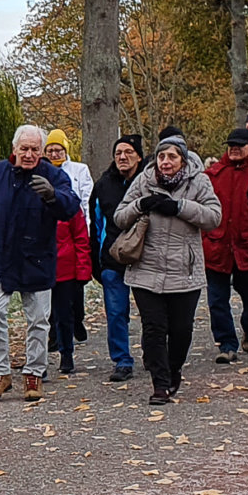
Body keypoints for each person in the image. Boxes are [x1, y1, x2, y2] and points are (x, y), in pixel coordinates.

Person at [0, 124, 79, 402]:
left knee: (38, 321)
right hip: (0, 258)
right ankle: (0, 372)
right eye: (25, 149)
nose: (30, 154)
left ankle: (34, 373)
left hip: (37, 259)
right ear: (14, 149)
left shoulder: (53, 175)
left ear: (42, 151)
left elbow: (71, 206)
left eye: (35, 149)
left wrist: (52, 196)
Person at [116, 136, 222, 404]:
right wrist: (140, 205)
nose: (165, 162)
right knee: (153, 328)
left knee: (180, 330)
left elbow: (214, 217)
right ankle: (159, 385)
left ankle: (174, 369)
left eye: (172, 157)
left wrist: (180, 207)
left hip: (184, 271)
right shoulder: (143, 181)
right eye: (161, 157)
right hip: (146, 270)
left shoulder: (199, 182)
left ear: (183, 160)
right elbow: (119, 217)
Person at [203, 128, 248, 363]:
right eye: (231, 145)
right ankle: (226, 344)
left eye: (239, 145)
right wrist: (205, 238)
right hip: (217, 247)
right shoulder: (213, 175)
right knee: (217, 300)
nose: (234, 148)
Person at [90, 135, 143, 383]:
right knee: (115, 313)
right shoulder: (103, 185)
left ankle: (154, 354)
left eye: (128, 152)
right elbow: (96, 225)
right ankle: (122, 360)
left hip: (146, 260)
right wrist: (96, 263)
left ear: (139, 156)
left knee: (151, 313)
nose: (122, 157)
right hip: (112, 259)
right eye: (118, 153)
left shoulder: (149, 181)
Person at [50, 190, 92, 375]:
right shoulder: (28, 205)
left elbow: (81, 240)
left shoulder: (70, 208)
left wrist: (83, 271)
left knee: (64, 314)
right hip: (38, 268)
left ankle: (66, 353)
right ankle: (38, 361)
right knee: (40, 317)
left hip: (65, 269)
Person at [44, 129, 94, 211]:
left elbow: (87, 200)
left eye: (57, 150)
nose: (53, 155)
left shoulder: (80, 170)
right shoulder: (42, 171)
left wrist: (86, 222)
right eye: (50, 151)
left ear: (65, 150)